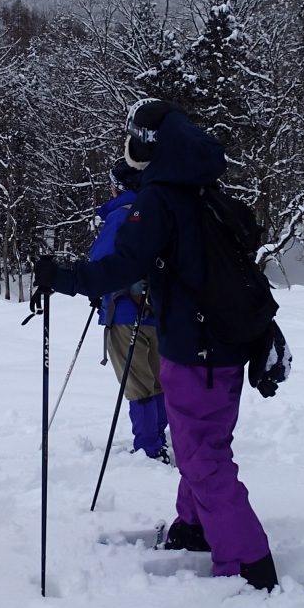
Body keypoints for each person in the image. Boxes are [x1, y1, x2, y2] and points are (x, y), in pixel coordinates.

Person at [35, 99, 277, 591]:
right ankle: (196, 527)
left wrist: (62, 276)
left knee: (202, 455)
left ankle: (248, 562)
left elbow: (124, 265)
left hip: (197, 348)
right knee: (204, 445)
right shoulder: (202, 190)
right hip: (224, 344)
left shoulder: (162, 198)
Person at [89, 159, 168, 463]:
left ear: (118, 187)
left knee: (137, 383)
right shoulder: (159, 212)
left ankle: (149, 448)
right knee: (158, 379)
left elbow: (100, 261)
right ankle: (157, 438)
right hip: (158, 309)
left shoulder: (121, 215)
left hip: (124, 310)